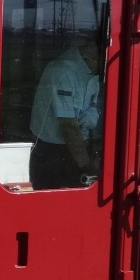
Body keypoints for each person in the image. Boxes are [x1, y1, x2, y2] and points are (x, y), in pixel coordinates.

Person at [29, 36, 103, 189]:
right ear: (91, 49)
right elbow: (68, 127)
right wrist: (87, 167)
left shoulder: (93, 72)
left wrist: (94, 112)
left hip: (80, 147)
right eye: (101, 57)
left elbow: (93, 103)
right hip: (54, 154)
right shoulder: (62, 71)